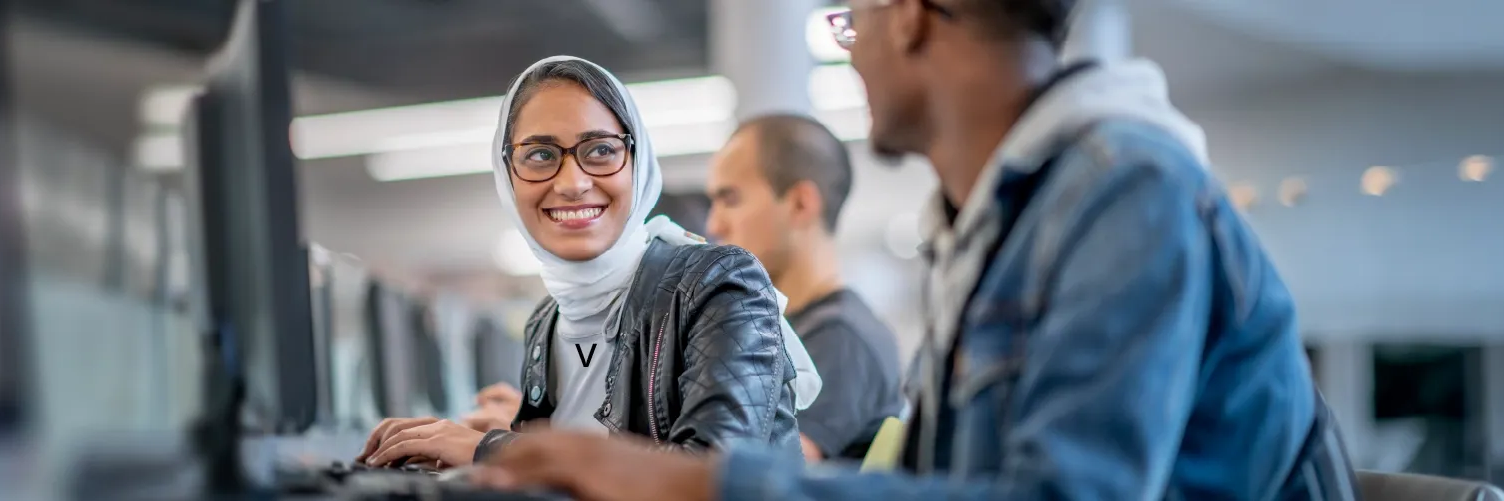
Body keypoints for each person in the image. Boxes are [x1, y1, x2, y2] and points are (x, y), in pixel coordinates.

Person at [469, 1, 1359, 500]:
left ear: (910, 18)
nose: (850, 57)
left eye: (848, 23)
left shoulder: (1126, 189)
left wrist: (693, 486)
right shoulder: (991, 223)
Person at [355, 56, 824, 469]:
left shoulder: (718, 282)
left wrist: (491, 449)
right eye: (540, 155)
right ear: (507, 175)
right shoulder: (548, 319)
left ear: (636, 162)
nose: (573, 182)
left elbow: (711, 475)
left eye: (600, 150)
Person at [704, 114, 904, 462]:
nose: (714, 224)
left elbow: (763, 478)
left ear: (800, 203)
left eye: (731, 199)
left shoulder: (839, 337)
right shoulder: (790, 330)